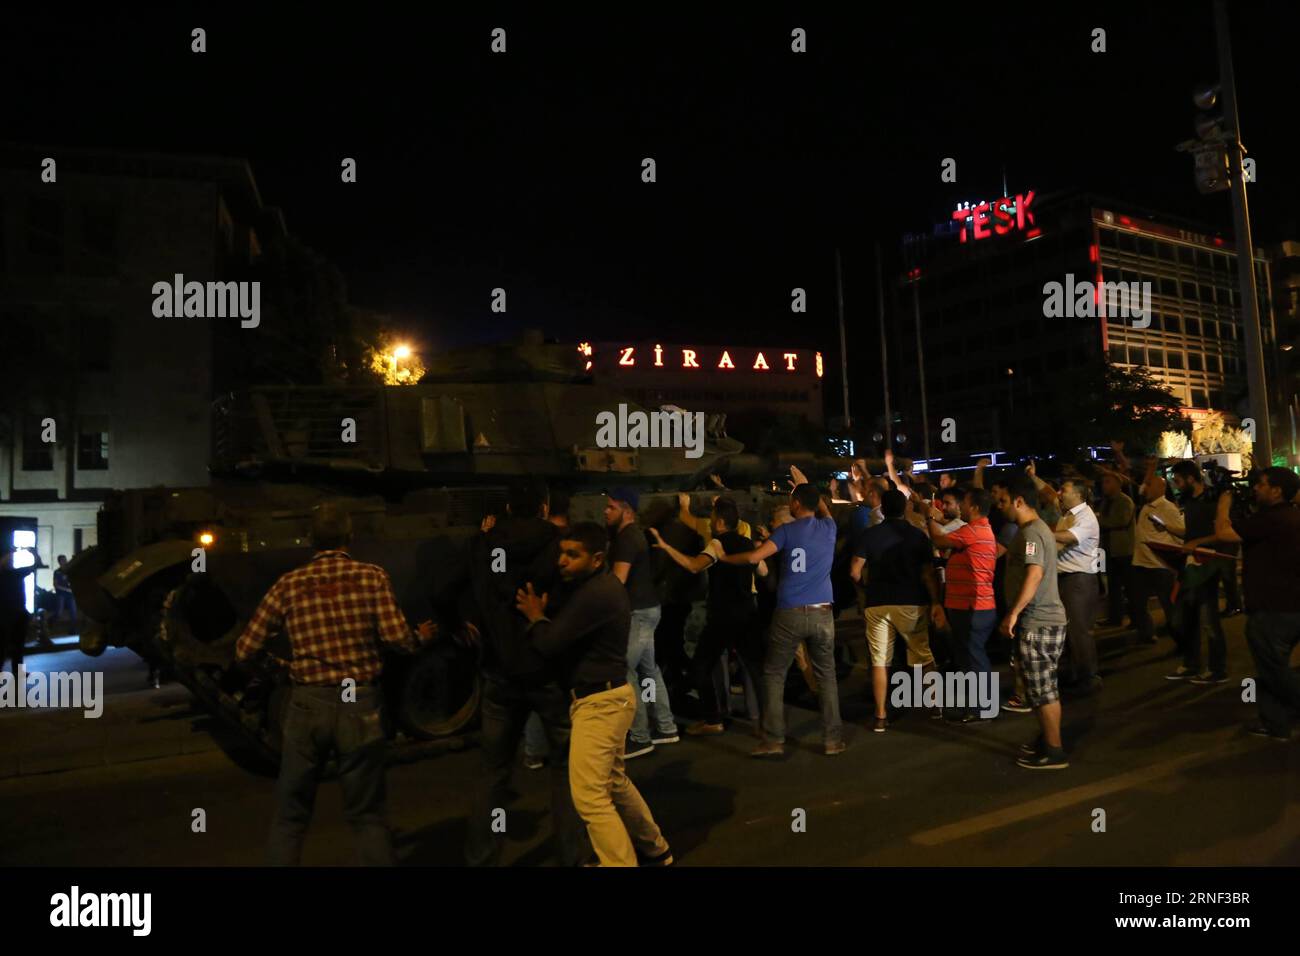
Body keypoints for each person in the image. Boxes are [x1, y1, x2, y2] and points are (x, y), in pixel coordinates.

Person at [236, 503, 436, 865]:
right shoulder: (372, 576)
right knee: (367, 817)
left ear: (310, 540)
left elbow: (245, 649)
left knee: (290, 817)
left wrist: (282, 668)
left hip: (307, 703)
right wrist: (419, 637)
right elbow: (397, 639)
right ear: (350, 537)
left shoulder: (288, 584)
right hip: (360, 704)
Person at [515, 521, 673, 866]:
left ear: (598, 557)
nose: (562, 561)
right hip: (610, 698)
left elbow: (549, 643)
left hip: (599, 705)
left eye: (573, 555)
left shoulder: (595, 594)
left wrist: (535, 617)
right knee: (614, 782)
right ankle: (655, 847)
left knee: (589, 797)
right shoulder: (600, 587)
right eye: (562, 553)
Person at [459, 478, 588, 867]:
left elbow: (447, 589)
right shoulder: (560, 545)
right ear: (545, 508)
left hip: (500, 671)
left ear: (510, 508)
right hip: (548, 669)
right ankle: (573, 856)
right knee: (566, 771)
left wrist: (463, 623)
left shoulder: (486, 545)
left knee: (494, 773)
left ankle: (482, 857)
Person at [721, 472, 844, 757]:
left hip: (789, 612)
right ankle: (833, 740)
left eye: (792, 499)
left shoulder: (787, 532)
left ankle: (775, 740)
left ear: (798, 504)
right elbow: (823, 506)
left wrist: (725, 558)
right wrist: (806, 484)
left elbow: (754, 558)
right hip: (823, 612)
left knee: (775, 673)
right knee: (827, 676)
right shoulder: (829, 527)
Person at [649, 495, 767, 736]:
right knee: (756, 670)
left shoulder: (716, 544)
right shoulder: (748, 543)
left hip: (723, 615)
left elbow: (694, 566)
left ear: (722, 522)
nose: (712, 523)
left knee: (702, 666)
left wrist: (666, 546)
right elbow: (763, 571)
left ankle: (713, 718)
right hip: (747, 612)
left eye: (714, 519)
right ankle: (768, 722)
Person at [1213, 467, 1300, 740]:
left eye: (1261, 485)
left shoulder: (1274, 518)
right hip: (1287, 605)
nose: (1255, 488)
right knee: (1267, 668)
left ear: (1277, 490)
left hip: (1273, 609)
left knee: (1275, 671)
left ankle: (1280, 718)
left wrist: (1223, 505)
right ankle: (1275, 724)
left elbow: (1224, 533)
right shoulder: (1291, 517)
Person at [853, 489, 945, 731]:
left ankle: (881, 715)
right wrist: (935, 601)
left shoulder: (869, 535)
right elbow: (928, 575)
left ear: (882, 509)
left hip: (877, 602)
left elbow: (854, 570)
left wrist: (865, 587)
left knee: (880, 661)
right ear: (905, 508)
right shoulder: (918, 536)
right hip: (911, 601)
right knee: (922, 654)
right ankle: (935, 704)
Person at [999, 475, 1070, 770]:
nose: (1000, 506)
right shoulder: (1034, 530)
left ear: (1018, 501)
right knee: (1041, 688)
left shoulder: (1031, 535)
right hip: (1042, 619)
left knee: (1043, 690)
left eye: (1003, 501)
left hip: (1039, 620)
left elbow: (1035, 573)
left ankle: (1054, 751)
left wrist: (1014, 612)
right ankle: (1048, 740)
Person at [604, 487, 679, 758]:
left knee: (623, 670)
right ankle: (666, 728)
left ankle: (640, 736)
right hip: (648, 609)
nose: (605, 511)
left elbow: (617, 582)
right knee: (649, 670)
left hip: (637, 613)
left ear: (626, 509)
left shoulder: (626, 538)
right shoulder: (635, 535)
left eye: (611, 507)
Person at [928, 487, 998, 721]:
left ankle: (982, 708)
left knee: (974, 657)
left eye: (964, 503)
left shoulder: (974, 531)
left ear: (975, 508)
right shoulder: (977, 530)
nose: (961, 508)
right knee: (969, 656)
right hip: (970, 605)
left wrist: (928, 517)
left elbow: (938, 539)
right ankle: (976, 705)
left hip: (973, 607)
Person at [1167, 461, 1227, 684]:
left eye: (1179, 480)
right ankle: (1191, 664)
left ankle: (1217, 669)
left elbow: (1223, 533)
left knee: (1209, 620)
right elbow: (1189, 532)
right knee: (1184, 619)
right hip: (1190, 565)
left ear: (1191, 479)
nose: (1176, 484)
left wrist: (1197, 543)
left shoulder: (1215, 499)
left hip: (1209, 566)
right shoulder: (1188, 500)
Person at [1052, 477, 1102, 692]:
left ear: (1079, 495)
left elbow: (1070, 538)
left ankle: (1089, 678)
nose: (1059, 493)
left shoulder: (1086, 517)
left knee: (1080, 631)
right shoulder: (1068, 515)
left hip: (1078, 580)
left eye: (1064, 490)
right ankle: (1074, 673)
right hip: (1067, 578)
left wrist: (1042, 534)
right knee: (1069, 630)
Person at [1130, 467, 1185, 646]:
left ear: (1161, 488)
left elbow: (1182, 534)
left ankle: (1182, 641)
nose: (1145, 488)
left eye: (1149, 485)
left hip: (1160, 565)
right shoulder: (1146, 505)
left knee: (1169, 606)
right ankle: (1147, 634)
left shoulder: (1167, 508)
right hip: (1140, 563)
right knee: (1137, 603)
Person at [1096, 472, 1136, 627]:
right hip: (1109, 550)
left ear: (1117, 485)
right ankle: (1115, 618)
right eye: (1103, 482)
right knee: (1113, 588)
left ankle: (1137, 620)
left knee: (1130, 589)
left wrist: (1098, 521)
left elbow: (1120, 520)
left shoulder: (1125, 501)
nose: (1104, 485)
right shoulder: (1106, 502)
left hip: (1124, 551)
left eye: (1107, 482)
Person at [1, 545, 44, 675]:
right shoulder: (12, 573)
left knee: (16, 645)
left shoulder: (15, 573)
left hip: (15, 613)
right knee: (7, 645)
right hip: (8, 614)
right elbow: (36, 564)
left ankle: (18, 671)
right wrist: (33, 553)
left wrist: (34, 553)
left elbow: (36, 565)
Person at [52, 554, 77, 631]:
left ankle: (73, 630)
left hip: (70, 594)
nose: (65, 561)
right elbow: (55, 585)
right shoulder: (57, 572)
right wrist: (66, 589)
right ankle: (50, 622)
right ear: (59, 562)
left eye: (65, 559)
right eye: (63, 560)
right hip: (61, 594)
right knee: (59, 612)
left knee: (73, 612)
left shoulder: (70, 570)